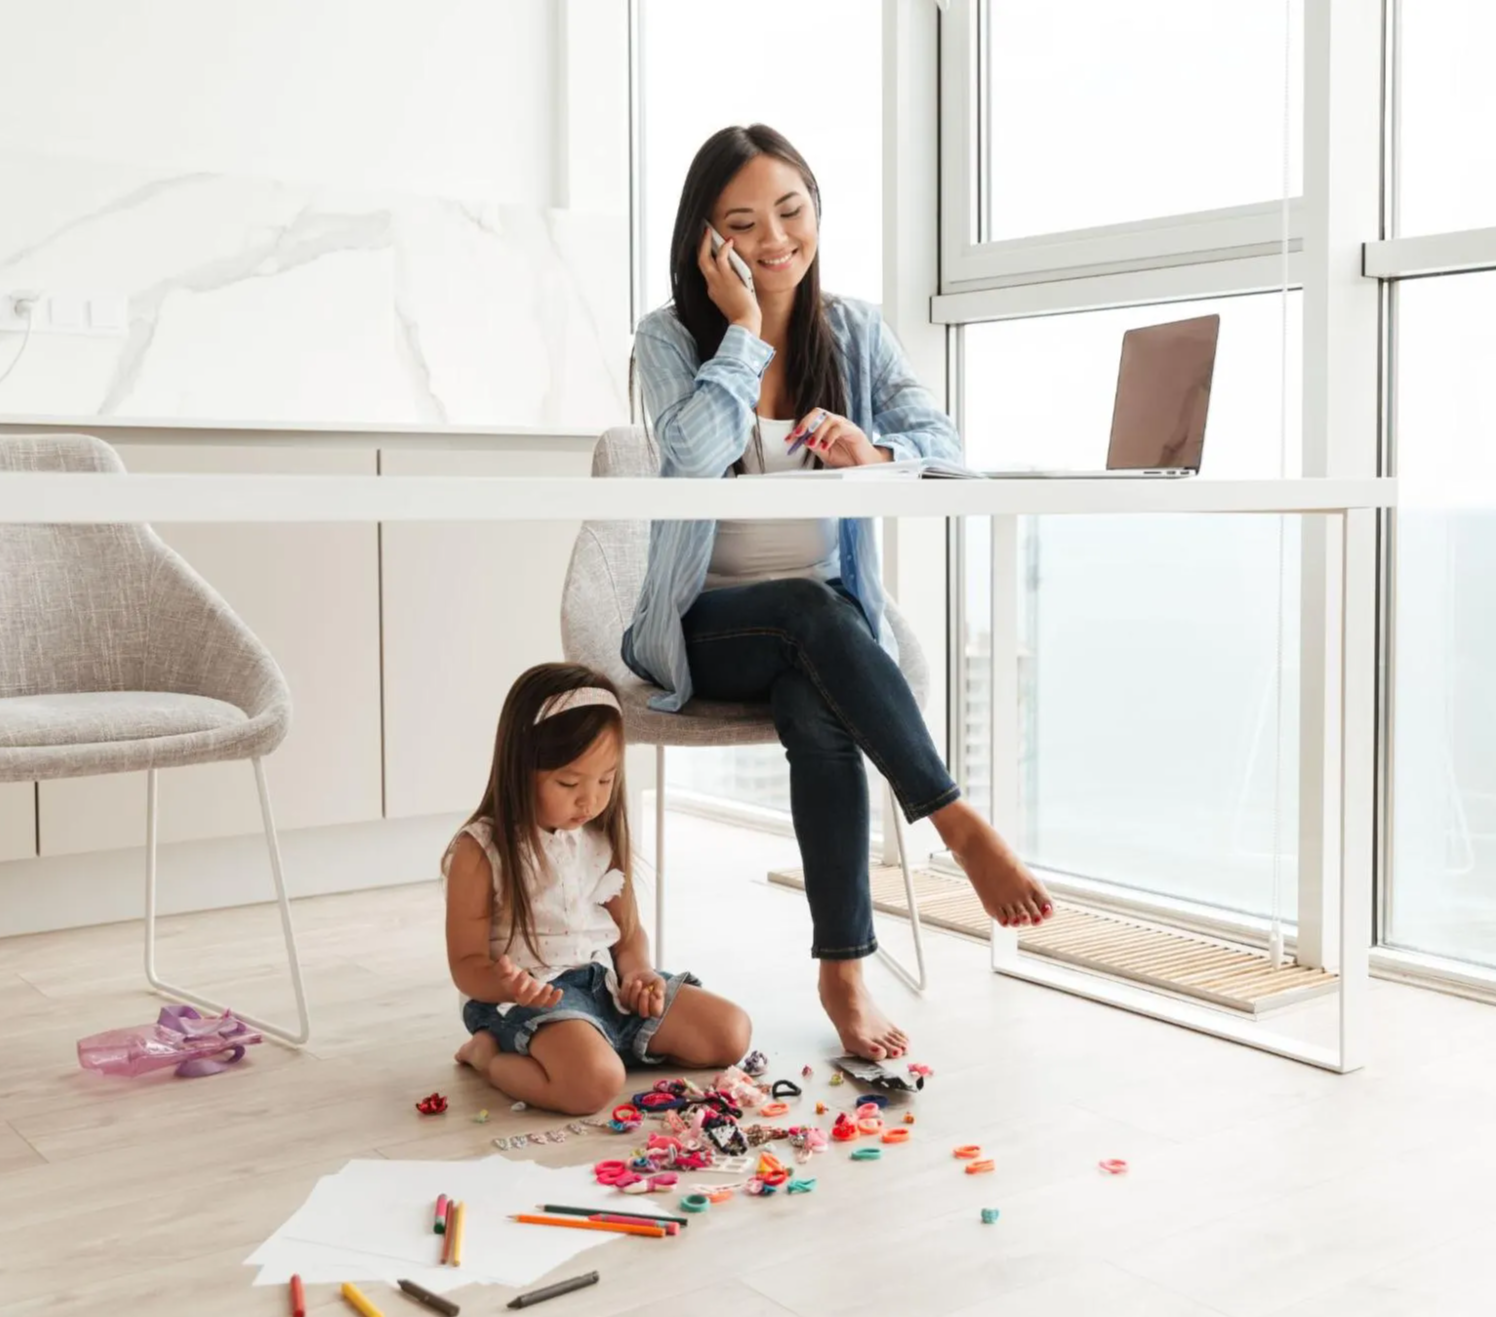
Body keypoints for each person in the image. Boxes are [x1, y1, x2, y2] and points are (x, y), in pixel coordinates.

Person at [622, 123, 1053, 1063]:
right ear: (706, 241)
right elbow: (688, 460)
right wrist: (738, 338)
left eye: (791, 209)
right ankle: (951, 814)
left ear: (816, 209)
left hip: (822, 637)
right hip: (706, 627)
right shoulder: (668, 338)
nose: (774, 238)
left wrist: (878, 452)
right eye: (742, 222)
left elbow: (951, 455)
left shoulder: (852, 330)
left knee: (816, 703)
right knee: (809, 614)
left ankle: (842, 974)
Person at [447, 662, 751, 1116]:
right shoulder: (481, 851)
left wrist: (639, 975)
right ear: (520, 766)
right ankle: (491, 1057)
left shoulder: (600, 837)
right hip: (533, 1000)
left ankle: (603, 1042)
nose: (589, 800)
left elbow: (627, 933)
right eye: (569, 783)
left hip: (606, 988)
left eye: (606, 780)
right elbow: (466, 965)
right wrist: (508, 985)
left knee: (731, 1032)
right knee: (594, 1085)